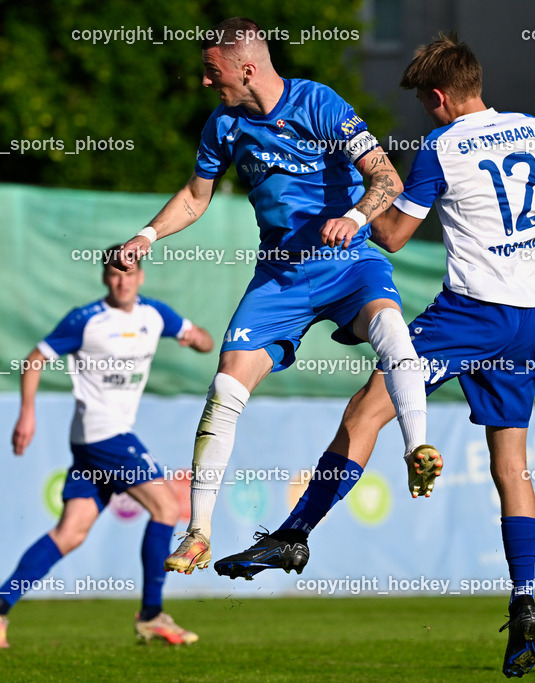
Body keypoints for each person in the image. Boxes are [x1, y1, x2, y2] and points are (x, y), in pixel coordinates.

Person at [214, 34, 535, 679]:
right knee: (511, 465)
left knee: (364, 414)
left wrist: (361, 195)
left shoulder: (441, 147)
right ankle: (524, 601)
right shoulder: (532, 126)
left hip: (471, 313)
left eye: (423, 104)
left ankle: (294, 536)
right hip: (528, 316)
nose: (424, 115)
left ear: (438, 97)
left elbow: (394, 236)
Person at [114, 16, 437, 576]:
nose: (206, 83)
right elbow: (196, 197)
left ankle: (418, 449)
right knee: (224, 385)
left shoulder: (320, 104)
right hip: (280, 278)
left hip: (347, 262)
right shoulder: (223, 125)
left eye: (212, 72)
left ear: (246, 67)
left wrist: (356, 214)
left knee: (390, 328)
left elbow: (386, 179)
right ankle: (198, 533)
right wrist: (146, 236)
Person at [0, 246, 214, 647]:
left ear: (141, 277)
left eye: (129, 272)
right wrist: (26, 414)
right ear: (105, 277)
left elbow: (201, 339)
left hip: (91, 445)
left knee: (70, 532)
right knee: (167, 507)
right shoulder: (86, 320)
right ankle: (152, 615)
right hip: (105, 434)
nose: (122, 280)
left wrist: (197, 338)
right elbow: (34, 359)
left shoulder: (156, 316)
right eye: (115, 273)